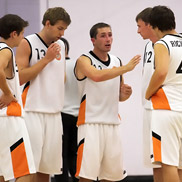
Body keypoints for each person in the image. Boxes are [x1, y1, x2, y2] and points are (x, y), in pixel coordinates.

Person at [74, 22, 141, 182]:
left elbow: (119, 96)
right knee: (87, 176)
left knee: (111, 176)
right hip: (90, 123)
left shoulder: (117, 60)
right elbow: (96, 75)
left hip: (112, 123)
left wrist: (125, 94)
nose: (108, 39)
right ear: (93, 40)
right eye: (103, 35)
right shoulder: (84, 60)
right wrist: (125, 68)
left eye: (110, 35)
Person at [15, 7, 71, 182]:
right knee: (29, 167)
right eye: (59, 28)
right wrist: (46, 59)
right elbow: (20, 77)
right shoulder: (28, 43)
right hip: (32, 111)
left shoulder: (60, 45)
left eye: (64, 30)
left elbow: (60, 78)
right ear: (48, 23)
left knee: (46, 169)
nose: (62, 33)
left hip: (54, 114)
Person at [145, 5, 182, 182]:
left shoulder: (162, 43)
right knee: (181, 165)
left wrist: (148, 92)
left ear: (154, 26)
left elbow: (161, 72)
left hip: (167, 107)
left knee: (168, 163)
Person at [0, 14, 36, 182]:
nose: (23, 38)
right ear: (14, 34)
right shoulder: (5, 50)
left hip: (3, 118)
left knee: (3, 173)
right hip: (9, 118)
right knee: (25, 172)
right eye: (22, 34)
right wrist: (8, 93)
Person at [135, 8, 162, 182]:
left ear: (149, 24)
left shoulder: (170, 44)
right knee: (155, 161)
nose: (138, 31)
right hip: (149, 108)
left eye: (139, 26)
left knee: (172, 161)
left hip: (165, 108)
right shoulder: (147, 46)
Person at [54, 37, 79, 182]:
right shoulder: (79, 64)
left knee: (60, 156)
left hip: (62, 115)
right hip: (78, 116)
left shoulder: (56, 67)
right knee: (74, 155)